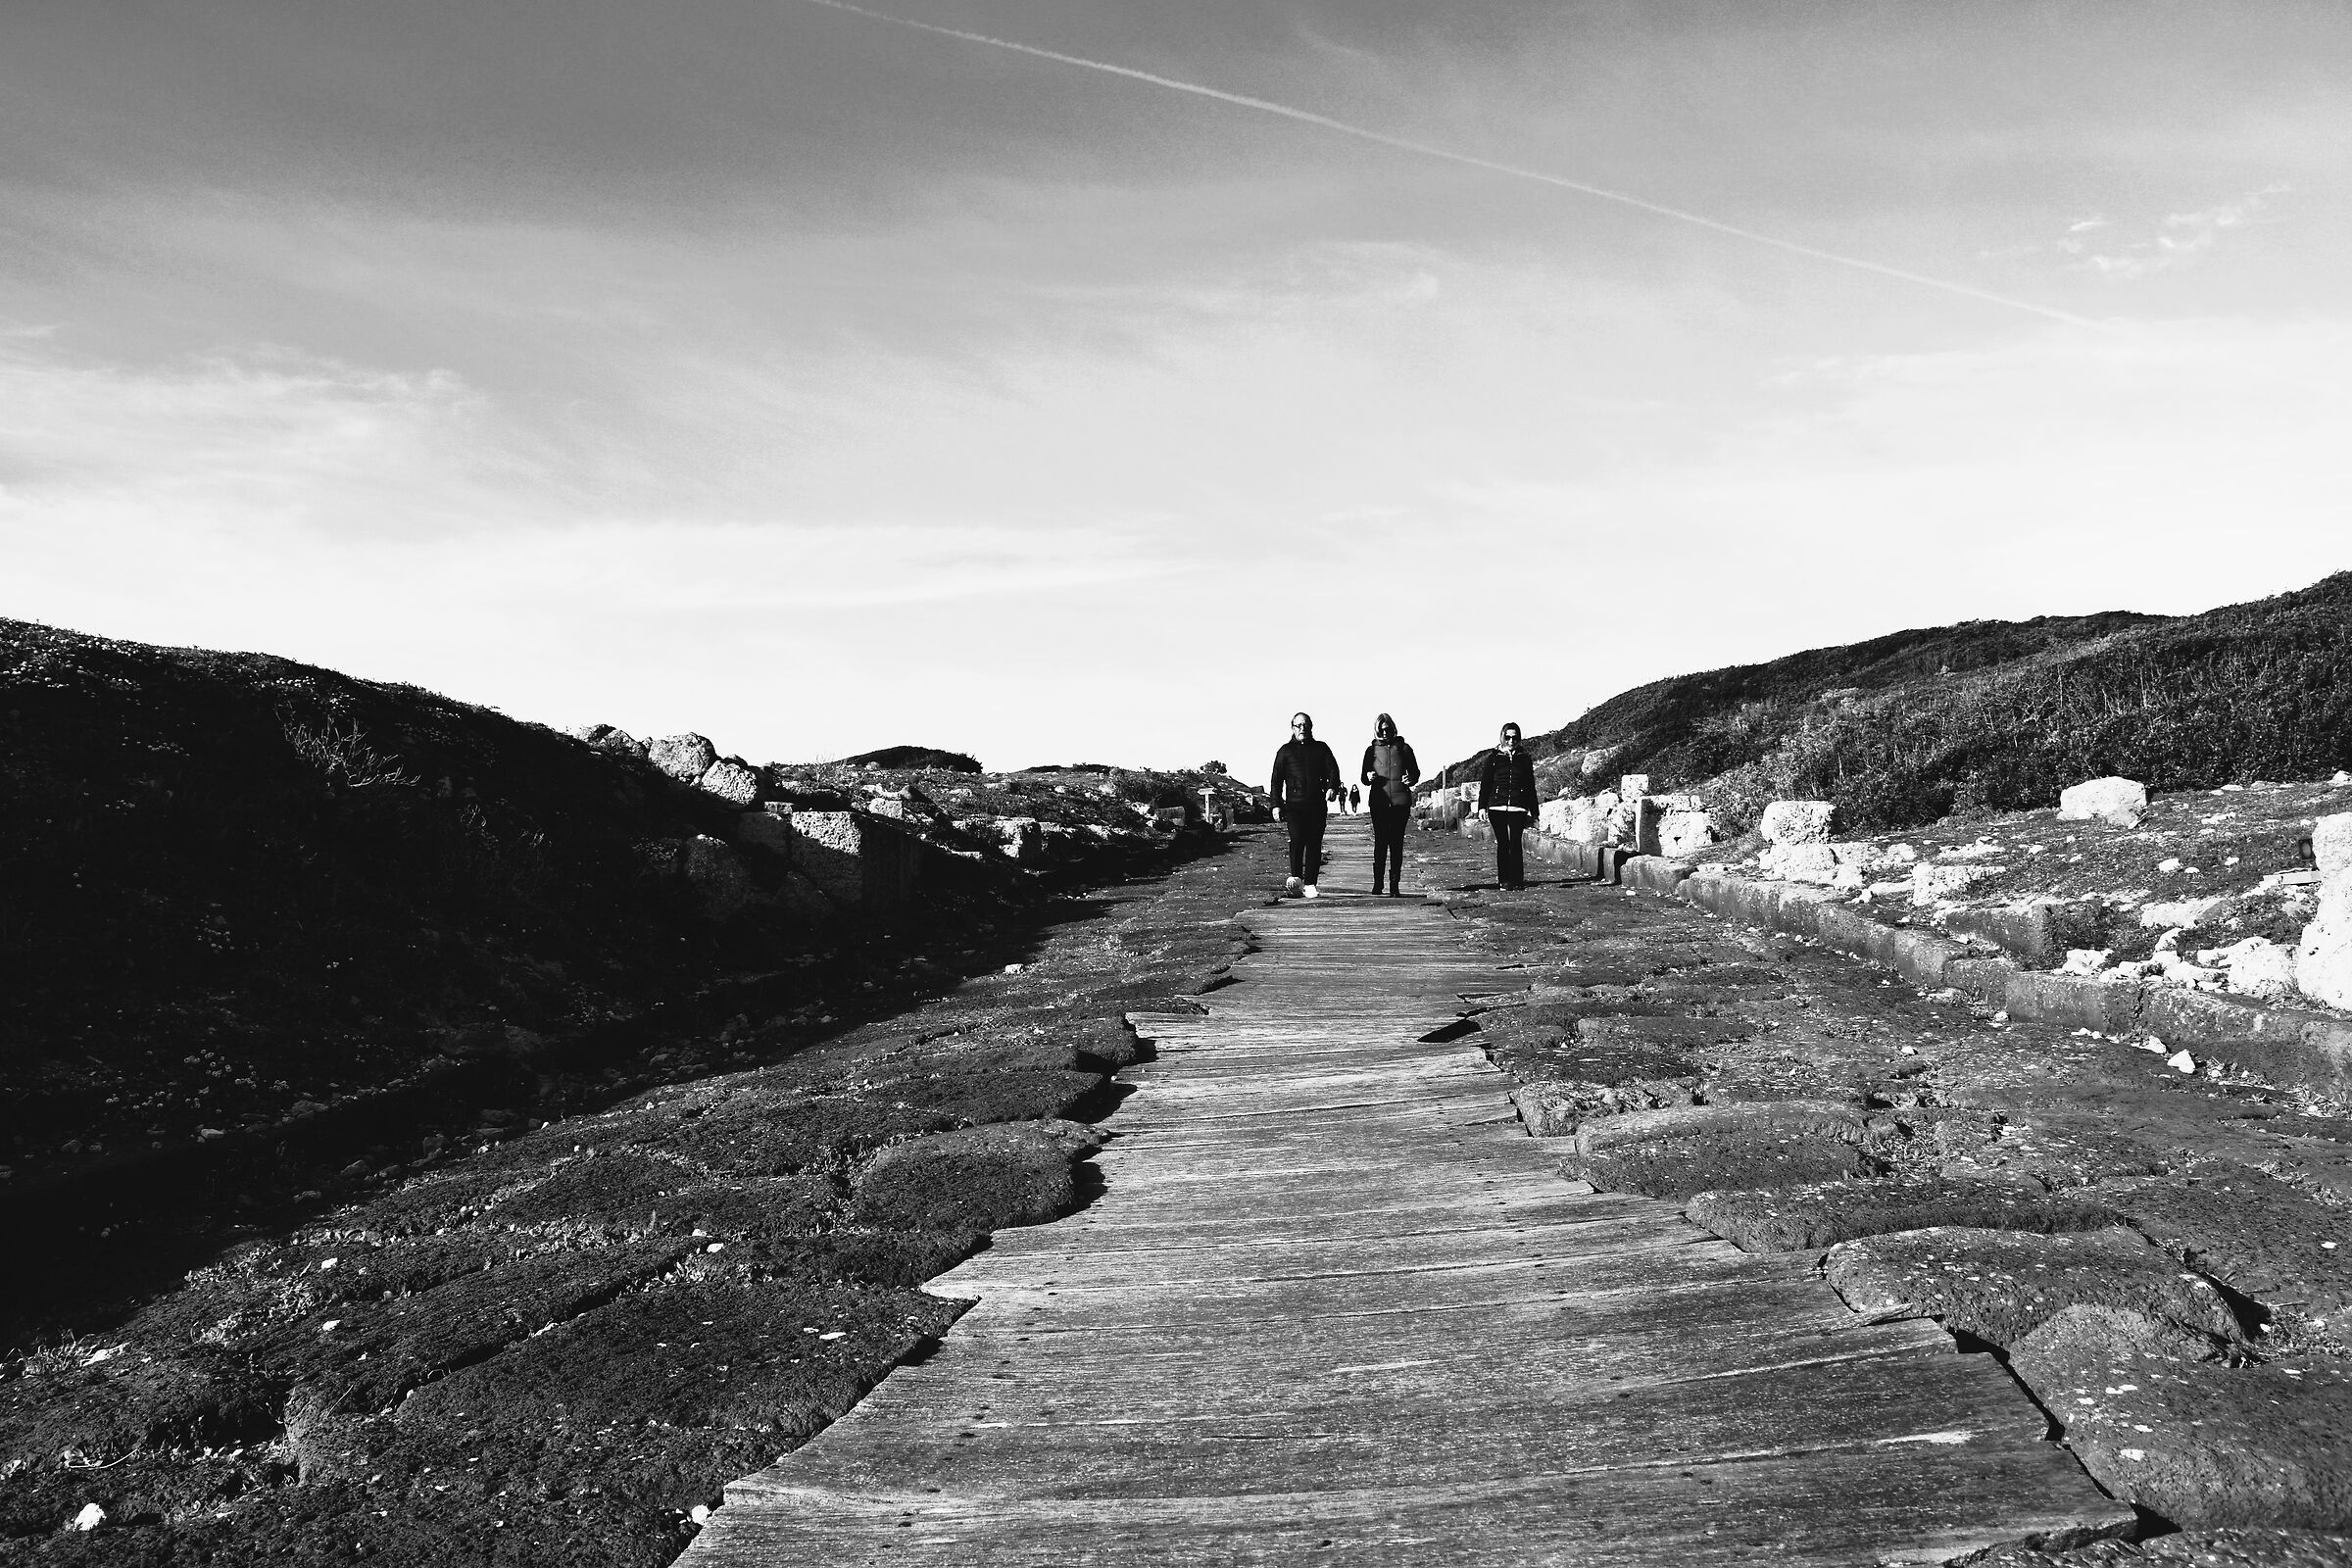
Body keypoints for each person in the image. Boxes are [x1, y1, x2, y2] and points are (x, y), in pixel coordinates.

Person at [1269, 711, 1344, 898]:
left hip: (1317, 804)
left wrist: (1332, 787)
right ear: (1292, 728)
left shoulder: (1321, 748)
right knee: (1297, 840)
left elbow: (1333, 770)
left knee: (1314, 843)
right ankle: (1296, 880)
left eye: (1305, 725)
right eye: (1298, 725)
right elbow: (1276, 780)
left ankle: (1310, 884)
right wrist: (1276, 805)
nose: (1302, 728)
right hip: (1294, 806)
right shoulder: (1285, 751)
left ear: (1311, 727)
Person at [1359, 712, 1419, 897]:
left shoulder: (1405, 749)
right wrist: (1368, 777)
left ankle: (1395, 885)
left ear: (1393, 729)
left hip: (1401, 802)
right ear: (1377, 731)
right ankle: (1378, 884)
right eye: (1381, 730)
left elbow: (1415, 773)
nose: (1385, 733)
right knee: (1380, 843)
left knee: (1396, 844)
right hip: (1379, 802)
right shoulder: (1371, 751)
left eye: (1388, 729)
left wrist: (1411, 779)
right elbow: (1363, 778)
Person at [1477, 721, 1539, 890]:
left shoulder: (1525, 759)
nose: (1511, 741)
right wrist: (1481, 807)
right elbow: (1486, 784)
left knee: (1516, 843)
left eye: (1515, 737)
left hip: (1518, 807)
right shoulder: (1493, 758)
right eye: (1508, 737)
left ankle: (1517, 880)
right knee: (1503, 843)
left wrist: (1535, 812)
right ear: (1503, 737)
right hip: (1496, 806)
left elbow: (1530, 786)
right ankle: (1504, 880)